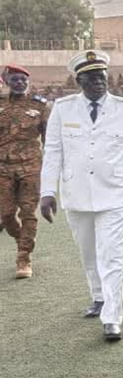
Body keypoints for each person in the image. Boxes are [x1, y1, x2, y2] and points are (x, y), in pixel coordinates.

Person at [39, 50, 123, 341]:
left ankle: (112, 317)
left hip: (115, 194)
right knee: (88, 252)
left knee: (111, 255)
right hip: (76, 193)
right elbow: (52, 151)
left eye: (102, 77)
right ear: (78, 81)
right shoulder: (63, 109)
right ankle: (99, 296)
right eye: (91, 78)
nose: (98, 83)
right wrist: (47, 191)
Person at [0, 65, 49, 279]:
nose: (19, 83)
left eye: (23, 80)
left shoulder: (39, 105)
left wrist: (51, 165)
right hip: (3, 166)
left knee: (28, 212)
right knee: (6, 214)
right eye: (15, 79)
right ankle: (23, 239)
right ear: (6, 82)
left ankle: (24, 258)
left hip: (31, 166)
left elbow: (49, 138)